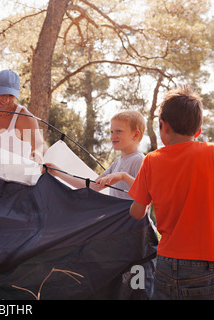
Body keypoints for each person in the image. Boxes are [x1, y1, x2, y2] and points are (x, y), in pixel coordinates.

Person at [129, 86, 214, 300]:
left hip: (166, 261)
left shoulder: (151, 160)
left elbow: (137, 212)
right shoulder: (210, 154)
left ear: (163, 126)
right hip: (206, 263)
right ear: (198, 130)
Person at [46, 110, 146, 200]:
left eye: (118, 131)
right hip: (119, 220)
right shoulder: (117, 162)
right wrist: (58, 172)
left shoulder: (139, 160)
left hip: (135, 221)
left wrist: (123, 176)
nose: (112, 137)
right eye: (111, 132)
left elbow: (145, 193)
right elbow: (92, 186)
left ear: (136, 135)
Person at [0, 69, 44, 162]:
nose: (6, 100)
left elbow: (39, 145)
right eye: (2, 93)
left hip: (17, 174)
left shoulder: (24, 119)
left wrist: (37, 153)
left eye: (11, 95)